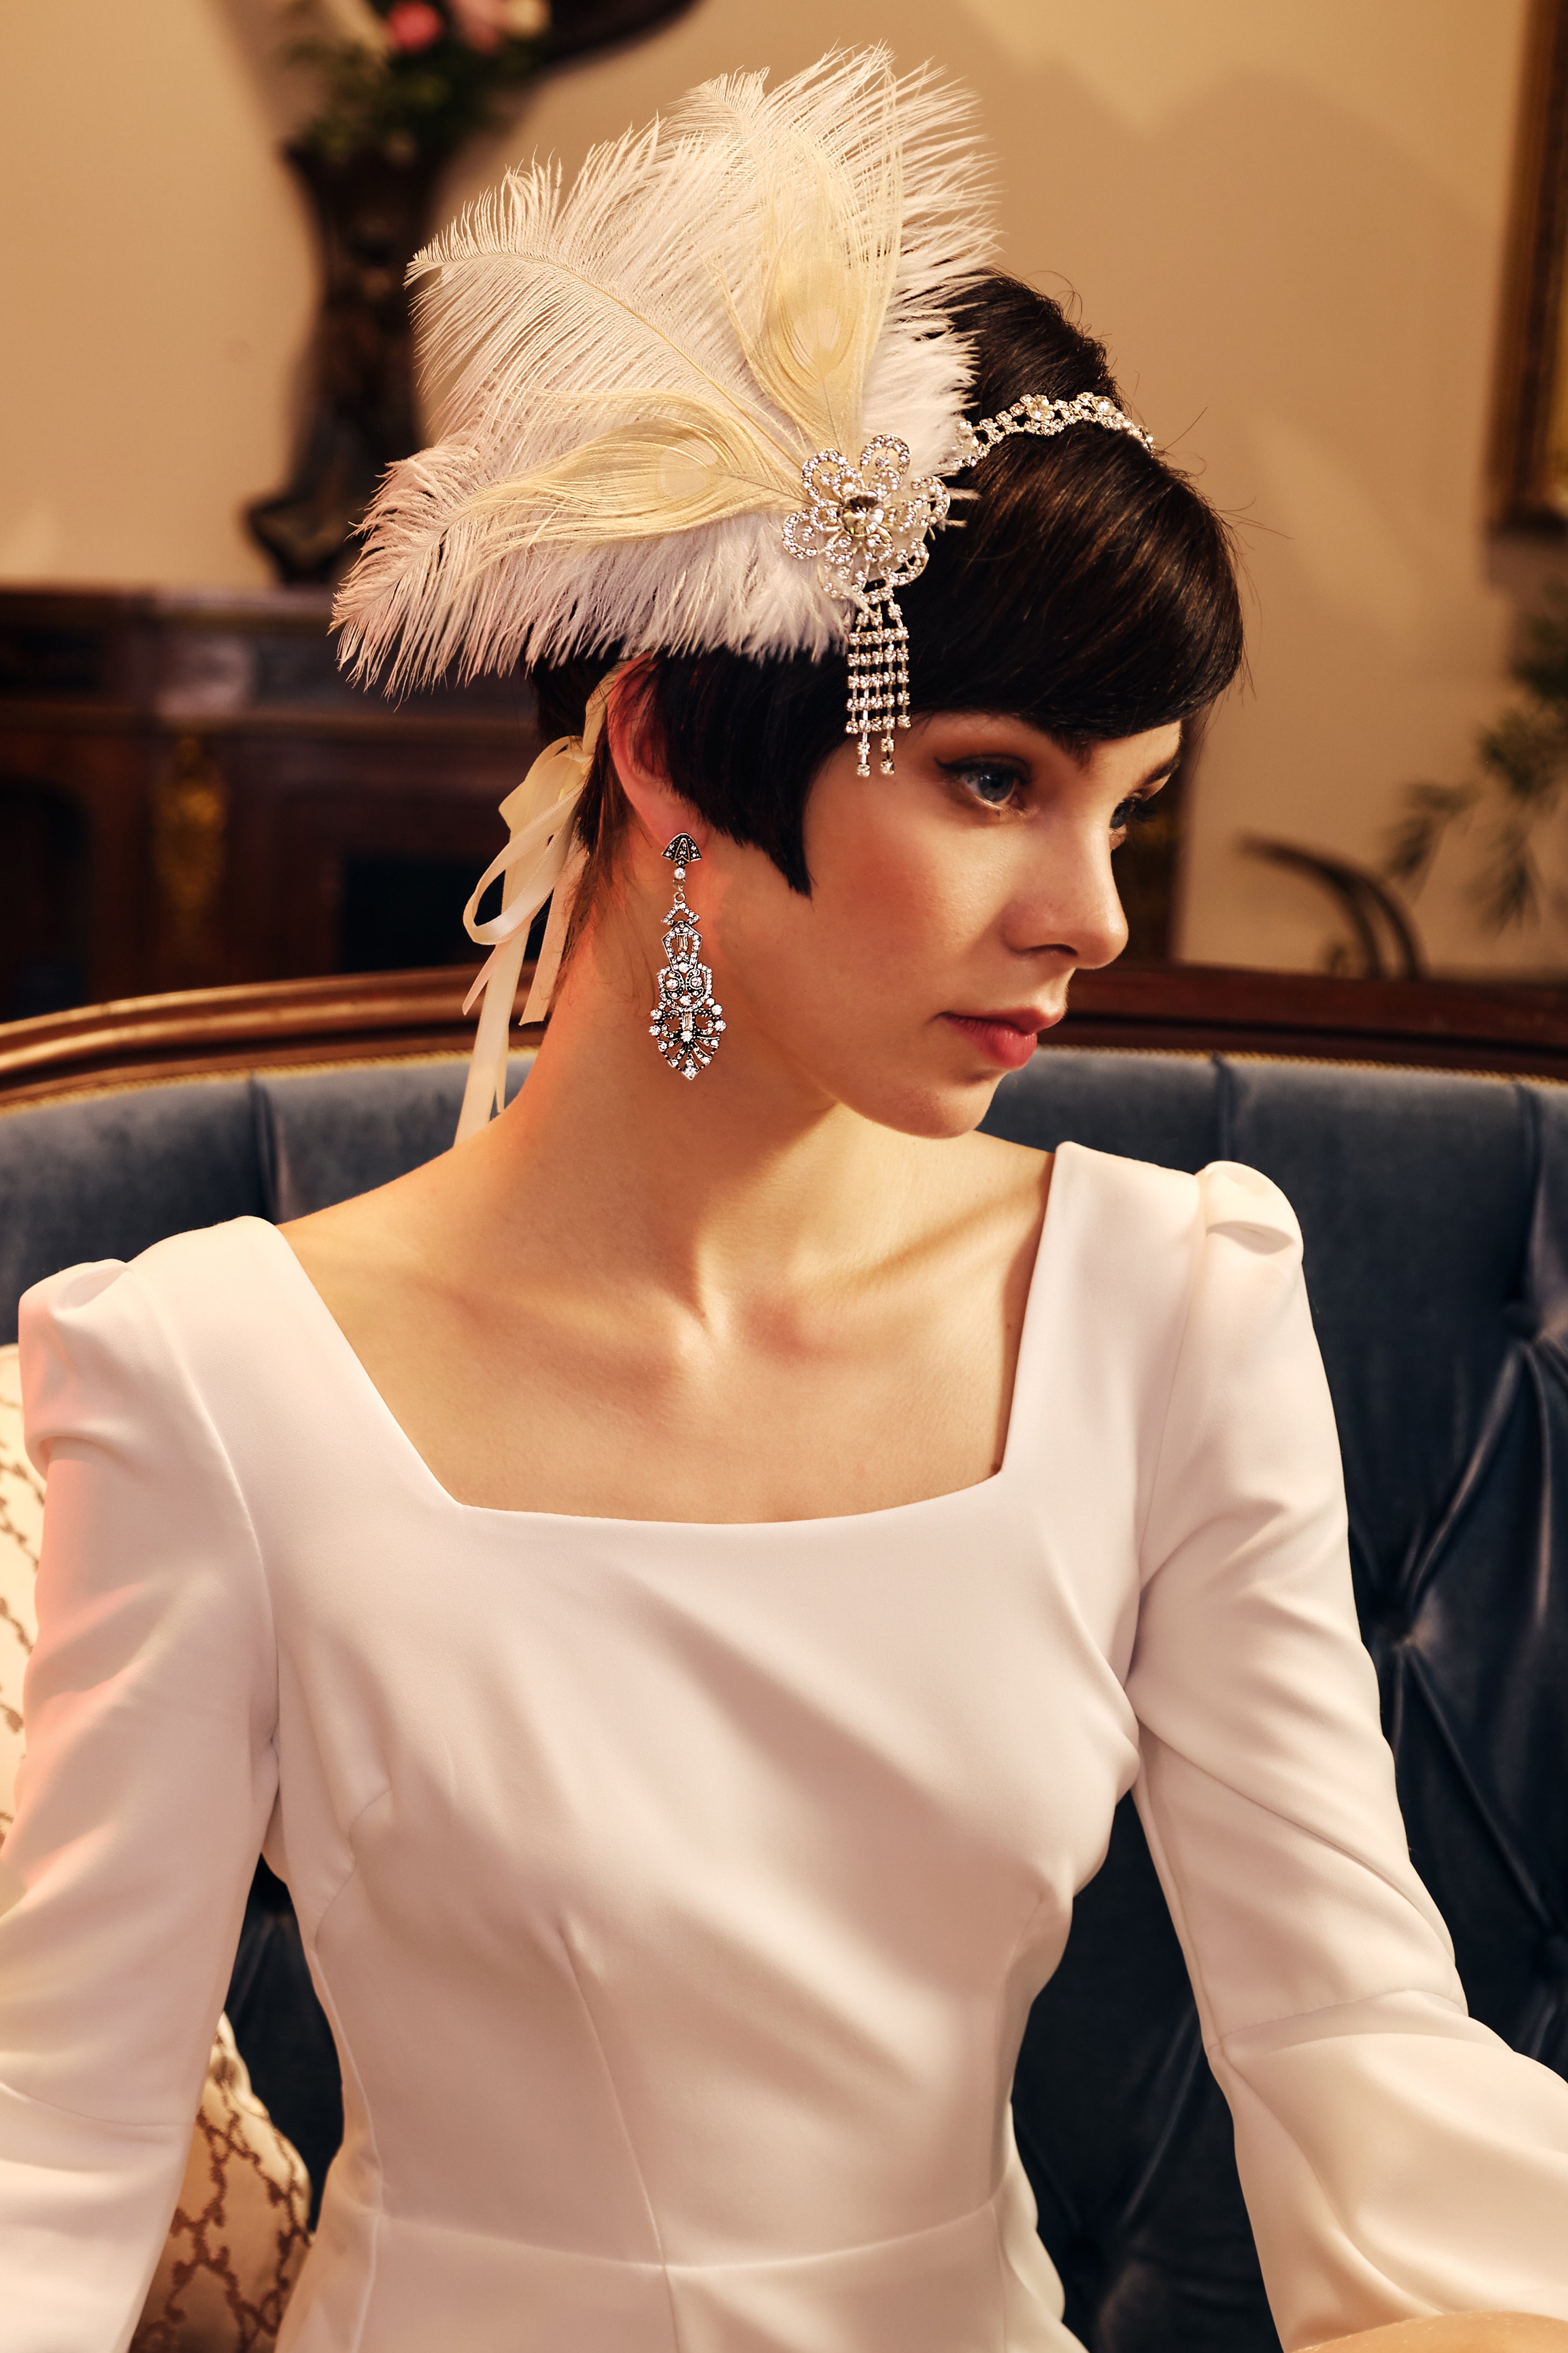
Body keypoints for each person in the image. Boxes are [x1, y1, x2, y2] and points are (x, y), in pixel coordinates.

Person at [4, 50, 1567, 2353]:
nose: (1092, 914)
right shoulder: (208, 1381)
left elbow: (1357, 2046)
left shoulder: (1168, 1310)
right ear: (664, 749)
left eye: (1126, 806)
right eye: (994, 781)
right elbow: (48, 2161)